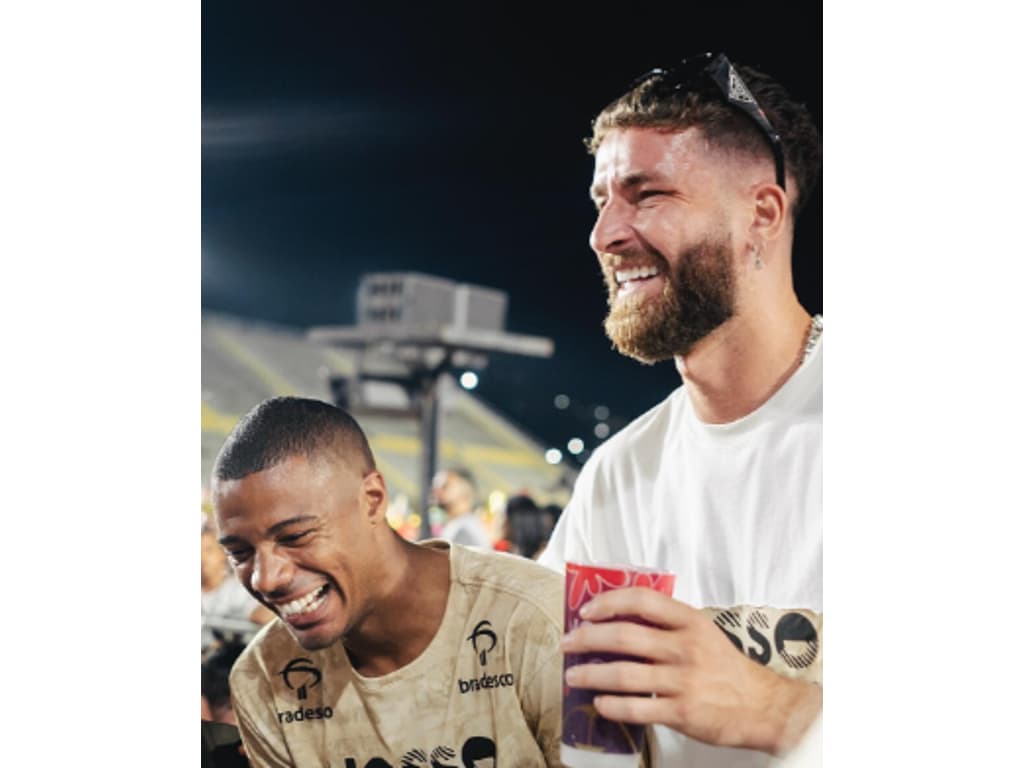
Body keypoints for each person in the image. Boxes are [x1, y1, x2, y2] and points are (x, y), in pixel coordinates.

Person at [538, 51, 823, 767]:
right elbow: (582, 740)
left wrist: (778, 710)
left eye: (648, 194)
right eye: (603, 200)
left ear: (761, 214)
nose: (605, 235)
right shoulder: (619, 475)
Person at [211, 396, 563, 767]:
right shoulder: (265, 677)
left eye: (295, 537)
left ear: (373, 500)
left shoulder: (537, 622)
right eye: (239, 553)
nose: (266, 578)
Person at [202, 517, 274, 651]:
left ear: (222, 554)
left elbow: (261, 617)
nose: (202, 558)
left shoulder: (241, 588)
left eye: (208, 550)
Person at [433, 466, 492, 549]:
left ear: (465, 489)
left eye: (446, 485)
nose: (438, 491)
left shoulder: (464, 529)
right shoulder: (460, 525)